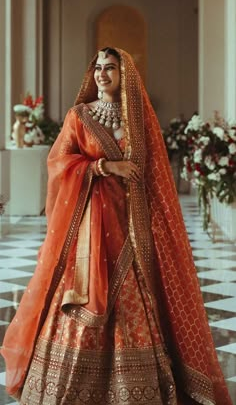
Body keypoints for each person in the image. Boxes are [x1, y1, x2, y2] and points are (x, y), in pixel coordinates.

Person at [1, 48, 233, 405]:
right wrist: (104, 168)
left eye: (110, 68)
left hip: (132, 228)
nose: (101, 74)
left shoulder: (139, 119)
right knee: (86, 299)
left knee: (131, 299)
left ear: (125, 75)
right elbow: (59, 163)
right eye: (97, 67)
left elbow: (155, 178)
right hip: (88, 229)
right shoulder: (79, 115)